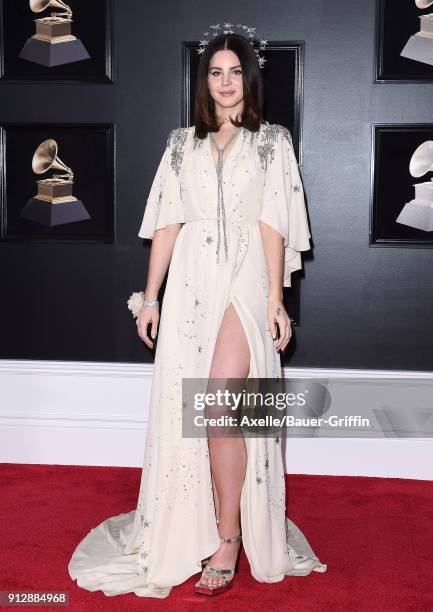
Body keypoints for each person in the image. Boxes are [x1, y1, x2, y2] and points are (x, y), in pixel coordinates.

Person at [68, 31, 327, 599]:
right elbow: (166, 223)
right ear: (204, 81)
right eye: (216, 72)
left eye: (235, 71)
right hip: (189, 282)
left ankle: (229, 537)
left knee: (220, 404)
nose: (226, 81)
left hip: (244, 279)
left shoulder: (271, 142)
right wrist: (151, 296)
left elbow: (274, 224)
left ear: (249, 80)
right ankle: (198, 525)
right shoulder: (181, 144)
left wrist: (276, 301)